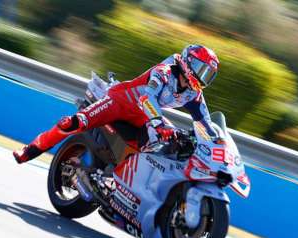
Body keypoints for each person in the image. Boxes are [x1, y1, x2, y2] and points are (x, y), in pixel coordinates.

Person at [13, 44, 222, 164]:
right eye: (200, 69)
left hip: (145, 117)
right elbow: (146, 98)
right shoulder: (165, 72)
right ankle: (32, 149)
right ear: (187, 61)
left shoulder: (193, 95)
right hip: (121, 101)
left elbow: (205, 123)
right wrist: (158, 124)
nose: (202, 77)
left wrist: (218, 143)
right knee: (72, 123)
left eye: (208, 75)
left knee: (168, 149)